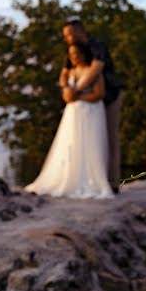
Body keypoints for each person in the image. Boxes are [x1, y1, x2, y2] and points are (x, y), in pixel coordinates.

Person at [24, 44, 113, 199]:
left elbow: (99, 94)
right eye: (71, 54)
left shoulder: (93, 71)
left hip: (91, 112)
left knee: (89, 145)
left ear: (84, 53)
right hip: (73, 114)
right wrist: (68, 94)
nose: (74, 56)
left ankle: (90, 181)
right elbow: (64, 89)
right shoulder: (69, 72)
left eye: (77, 53)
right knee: (70, 144)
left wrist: (77, 97)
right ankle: (70, 178)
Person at [59, 19, 124, 192]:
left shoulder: (97, 46)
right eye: (66, 36)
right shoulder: (73, 51)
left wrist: (76, 90)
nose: (68, 38)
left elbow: (96, 69)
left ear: (80, 30)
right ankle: (89, 181)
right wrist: (66, 88)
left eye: (70, 34)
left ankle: (113, 184)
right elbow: (64, 73)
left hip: (109, 97)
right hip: (88, 105)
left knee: (110, 139)